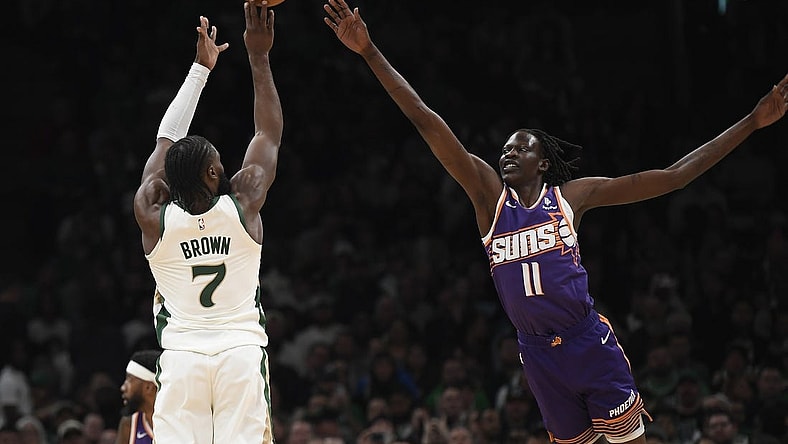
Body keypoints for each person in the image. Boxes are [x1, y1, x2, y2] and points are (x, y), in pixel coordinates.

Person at [321, 1, 788, 443]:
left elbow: (674, 177)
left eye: (521, 147)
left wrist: (751, 120)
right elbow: (426, 120)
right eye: (505, 147)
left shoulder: (571, 198)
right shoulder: (488, 199)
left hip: (588, 341)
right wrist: (369, 51)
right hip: (538, 354)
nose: (508, 152)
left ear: (543, 164)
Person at [132, 1, 283, 442]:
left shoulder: (153, 215)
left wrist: (200, 70)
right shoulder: (244, 202)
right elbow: (267, 133)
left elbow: (166, 140)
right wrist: (259, 56)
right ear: (215, 173)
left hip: (180, 357)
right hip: (239, 351)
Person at [115, 350, 161, 444]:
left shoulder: (177, 421)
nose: (123, 387)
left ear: (148, 387)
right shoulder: (129, 424)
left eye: (129, 380)